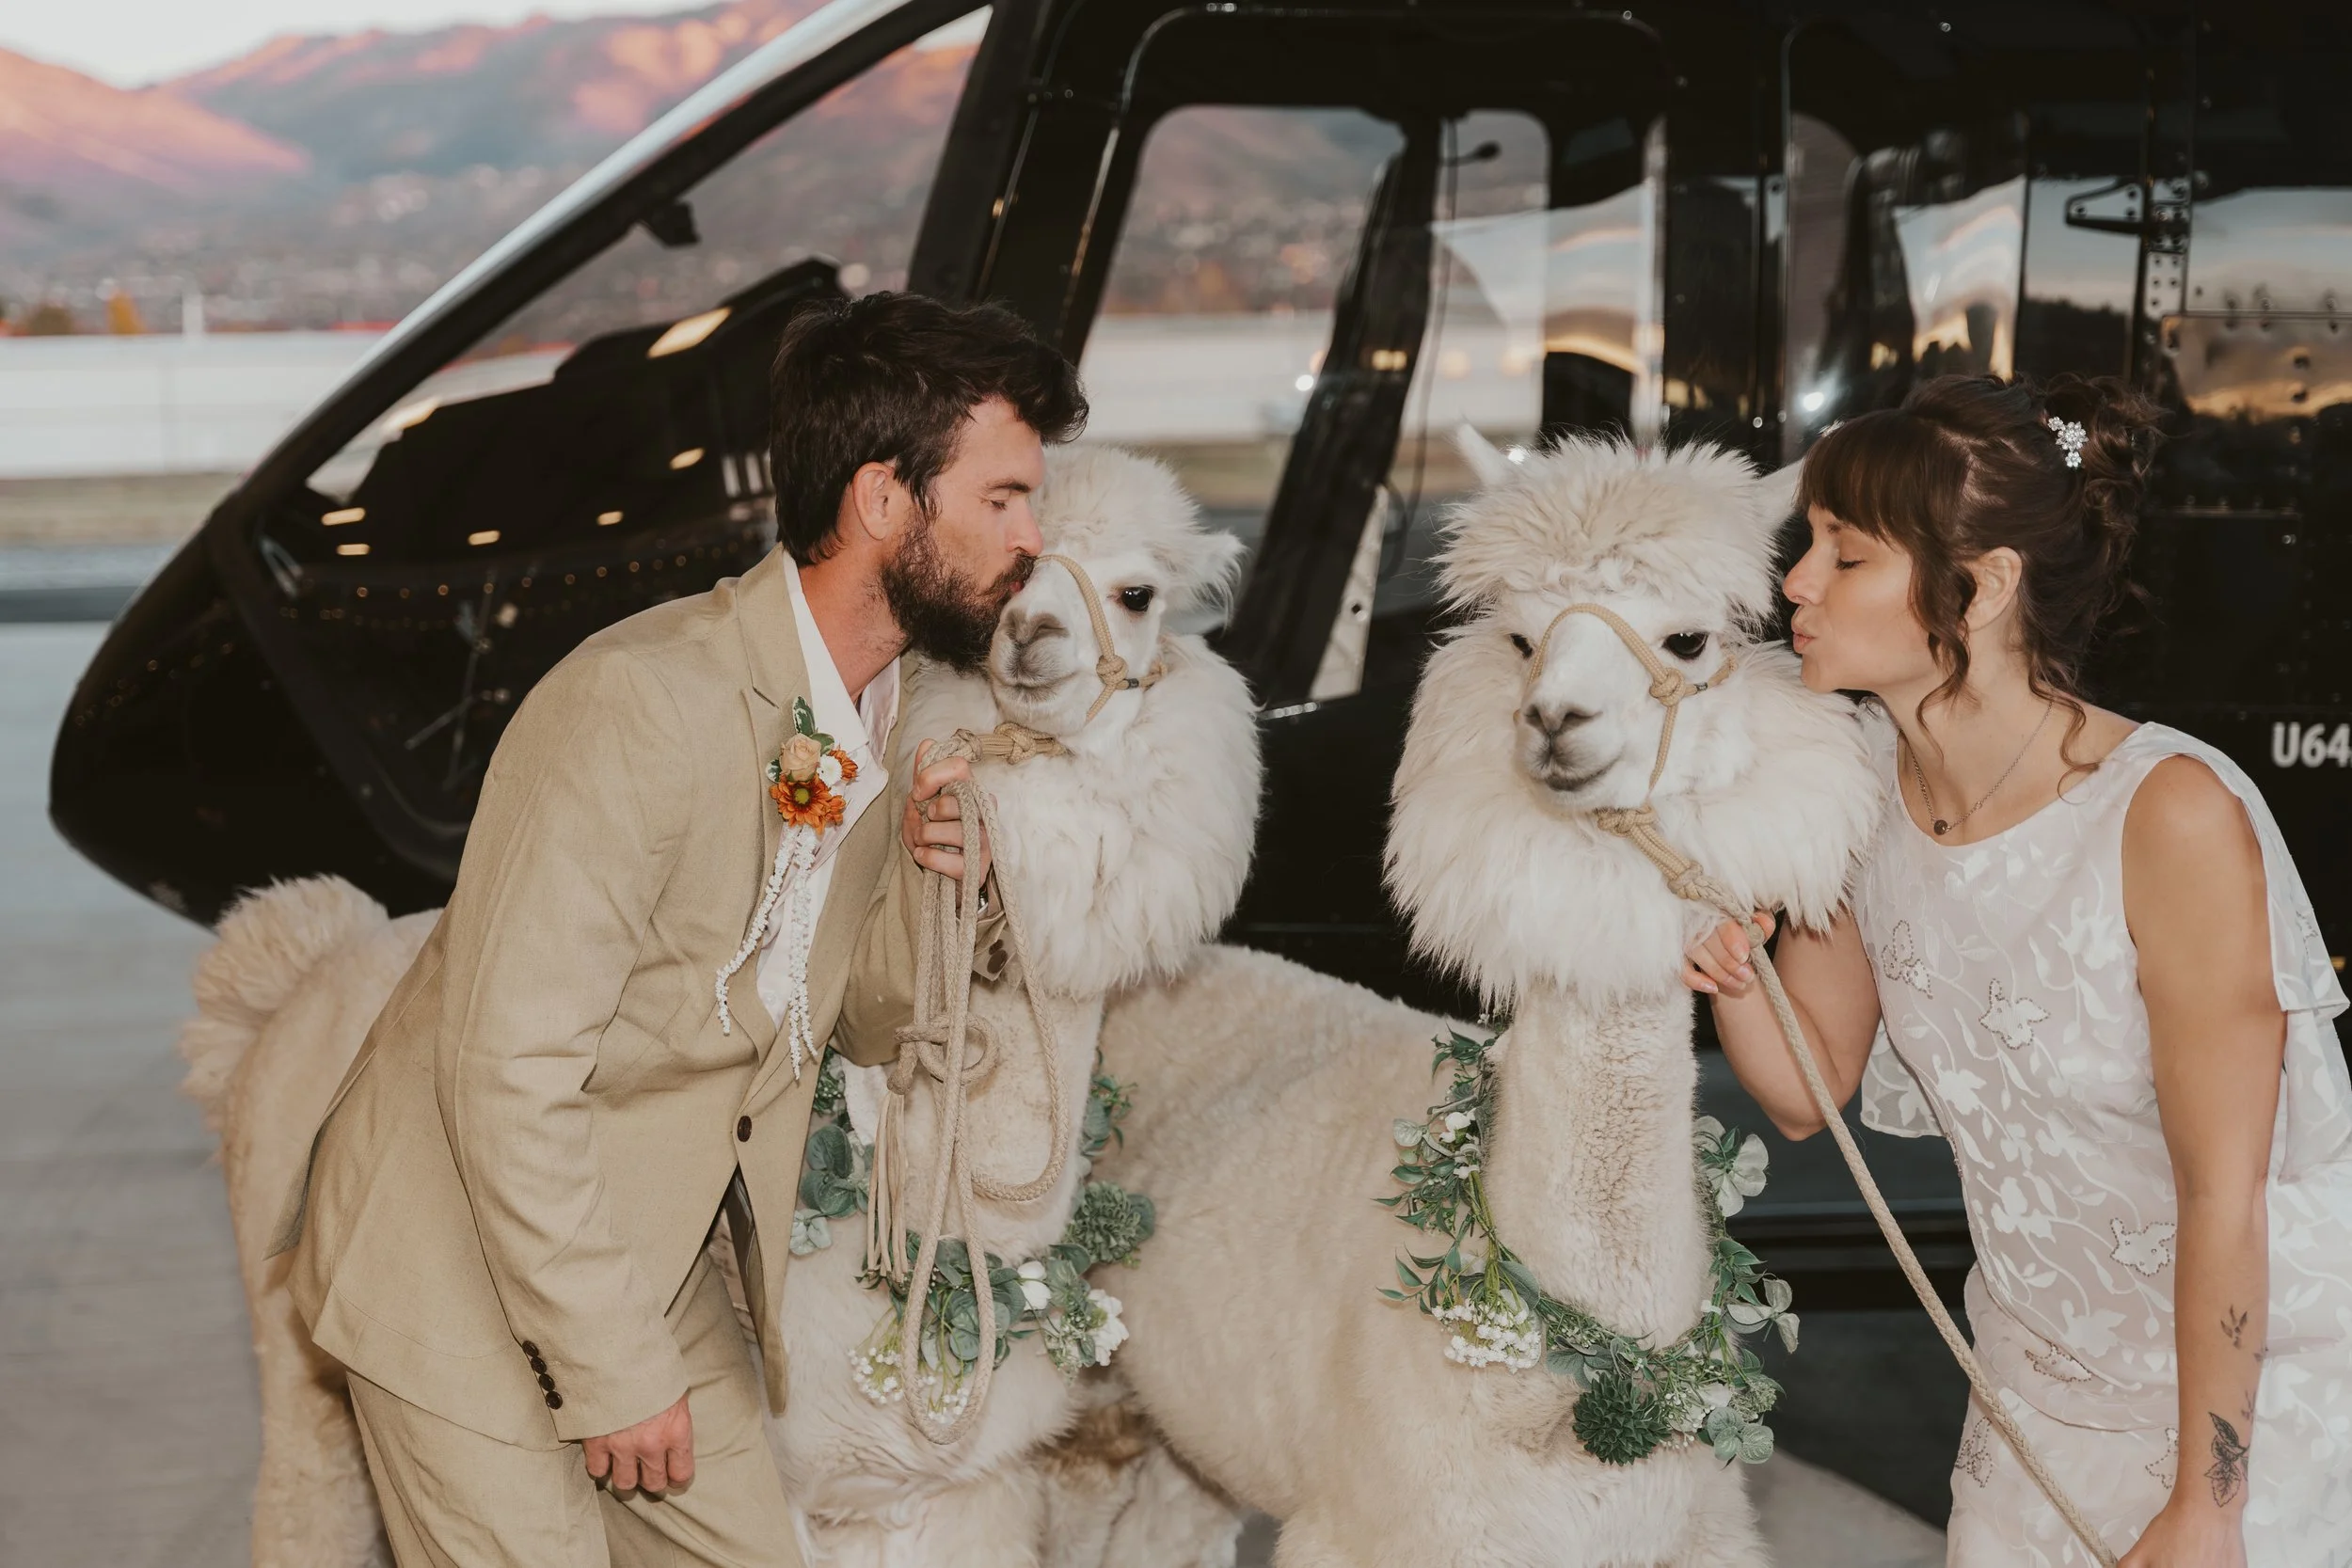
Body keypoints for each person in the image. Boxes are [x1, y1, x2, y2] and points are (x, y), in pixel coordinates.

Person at [272, 292, 1086, 1567]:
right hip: (460, 1265)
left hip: (646, 1242)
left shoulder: (880, 710)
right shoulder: (635, 705)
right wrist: (608, 1365)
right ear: (884, 500)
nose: (1033, 538)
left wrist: (926, 882)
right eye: (1002, 499)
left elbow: (853, 1023)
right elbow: (507, 1068)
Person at [1684, 374, 2352, 1566]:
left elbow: (2224, 1189)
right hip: (2027, 1397)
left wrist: (2208, 1506)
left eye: (1846, 555)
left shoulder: (2168, 815)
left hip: (2245, 1405)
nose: (1795, 582)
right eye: (1810, 548)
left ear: (1980, 587)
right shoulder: (1856, 794)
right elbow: (1799, 1093)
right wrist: (1732, 959)